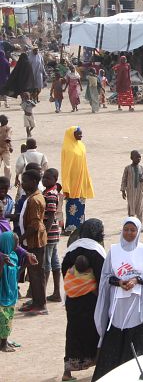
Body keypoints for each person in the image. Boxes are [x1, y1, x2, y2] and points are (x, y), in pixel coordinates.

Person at [92, 217, 143, 381]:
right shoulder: (114, 251)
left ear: (138, 232)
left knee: (134, 342)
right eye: (126, 229)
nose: (129, 233)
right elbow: (106, 275)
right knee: (113, 342)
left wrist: (136, 280)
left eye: (133, 230)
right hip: (117, 307)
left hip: (136, 305)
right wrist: (119, 282)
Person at [61, 219, 105, 380]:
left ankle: (67, 371)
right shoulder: (97, 251)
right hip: (91, 302)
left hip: (72, 300)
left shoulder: (72, 249)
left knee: (72, 332)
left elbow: (65, 272)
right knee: (95, 332)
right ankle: (97, 369)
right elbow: (103, 278)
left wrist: (76, 285)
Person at [18, 170, 47, 314]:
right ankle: (36, 301)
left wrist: (20, 239)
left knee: (36, 274)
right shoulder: (32, 197)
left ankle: (40, 305)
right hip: (32, 242)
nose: (22, 184)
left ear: (34, 182)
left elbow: (35, 224)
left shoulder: (35, 200)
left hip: (35, 242)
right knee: (33, 273)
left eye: (25, 181)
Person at [61, 126, 94, 233]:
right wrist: (66, 186)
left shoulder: (82, 146)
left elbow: (84, 164)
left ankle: (80, 228)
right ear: (71, 135)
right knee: (72, 206)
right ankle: (70, 228)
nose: (81, 135)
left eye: (81, 133)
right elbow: (65, 168)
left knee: (81, 205)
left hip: (82, 180)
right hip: (72, 182)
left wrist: (86, 180)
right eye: (78, 134)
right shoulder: (67, 148)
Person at [42, 168, 62, 302]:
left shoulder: (51, 195)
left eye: (48, 178)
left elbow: (50, 216)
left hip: (49, 233)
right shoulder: (50, 192)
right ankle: (56, 293)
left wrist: (45, 232)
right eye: (43, 178)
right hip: (54, 233)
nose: (44, 180)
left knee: (46, 263)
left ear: (55, 180)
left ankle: (41, 294)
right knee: (54, 262)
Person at [0, 231, 19, 352]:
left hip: (11, 293)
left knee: (9, 319)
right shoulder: (2, 258)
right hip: (2, 293)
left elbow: (16, 273)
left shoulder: (13, 256)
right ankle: (3, 344)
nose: (17, 246)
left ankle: (4, 340)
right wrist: (1, 264)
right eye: (15, 243)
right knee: (3, 319)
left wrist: (27, 262)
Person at [120, 150, 143, 227]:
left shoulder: (142, 168)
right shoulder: (127, 168)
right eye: (136, 157)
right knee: (131, 208)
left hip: (139, 191)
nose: (138, 159)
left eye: (140, 157)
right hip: (130, 192)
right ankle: (131, 225)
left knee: (140, 208)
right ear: (131, 158)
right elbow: (124, 179)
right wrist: (123, 190)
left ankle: (140, 225)